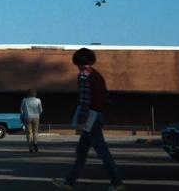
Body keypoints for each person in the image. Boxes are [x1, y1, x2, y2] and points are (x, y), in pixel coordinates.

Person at [53, 48, 125, 191]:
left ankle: (117, 183)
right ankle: (69, 182)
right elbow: (106, 98)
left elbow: (85, 100)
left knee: (102, 151)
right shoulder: (98, 75)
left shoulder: (84, 76)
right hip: (97, 114)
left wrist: (81, 120)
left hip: (89, 117)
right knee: (82, 151)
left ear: (78, 61)